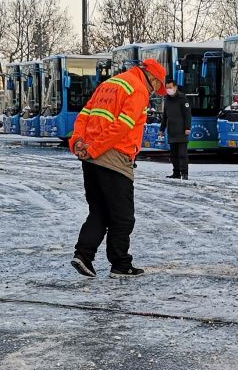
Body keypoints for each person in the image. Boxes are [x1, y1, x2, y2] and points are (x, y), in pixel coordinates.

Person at [70, 57, 168, 278]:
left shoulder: (109, 83)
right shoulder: (138, 89)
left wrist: (78, 142)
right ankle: (121, 265)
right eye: (156, 87)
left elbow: (84, 114)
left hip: (90, 159)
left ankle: (83, 255)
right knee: (123, 217)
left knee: (99, 212)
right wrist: (95, 149)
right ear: (152, 78)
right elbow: (122, 126)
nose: (154, 92)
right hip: (113, 158)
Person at [162, 76, 193, 179]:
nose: (168, 90)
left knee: (182, 154)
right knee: (173, 155)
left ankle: (184, 173)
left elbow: (187, 114)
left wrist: (187, 127)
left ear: (175, 87)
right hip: (172, 131)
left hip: (182, 131)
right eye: (167, 88)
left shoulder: (182, 98)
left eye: (170, 87)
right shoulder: (167, 100)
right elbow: (165, 116)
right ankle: (176, 172)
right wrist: (162, 129)